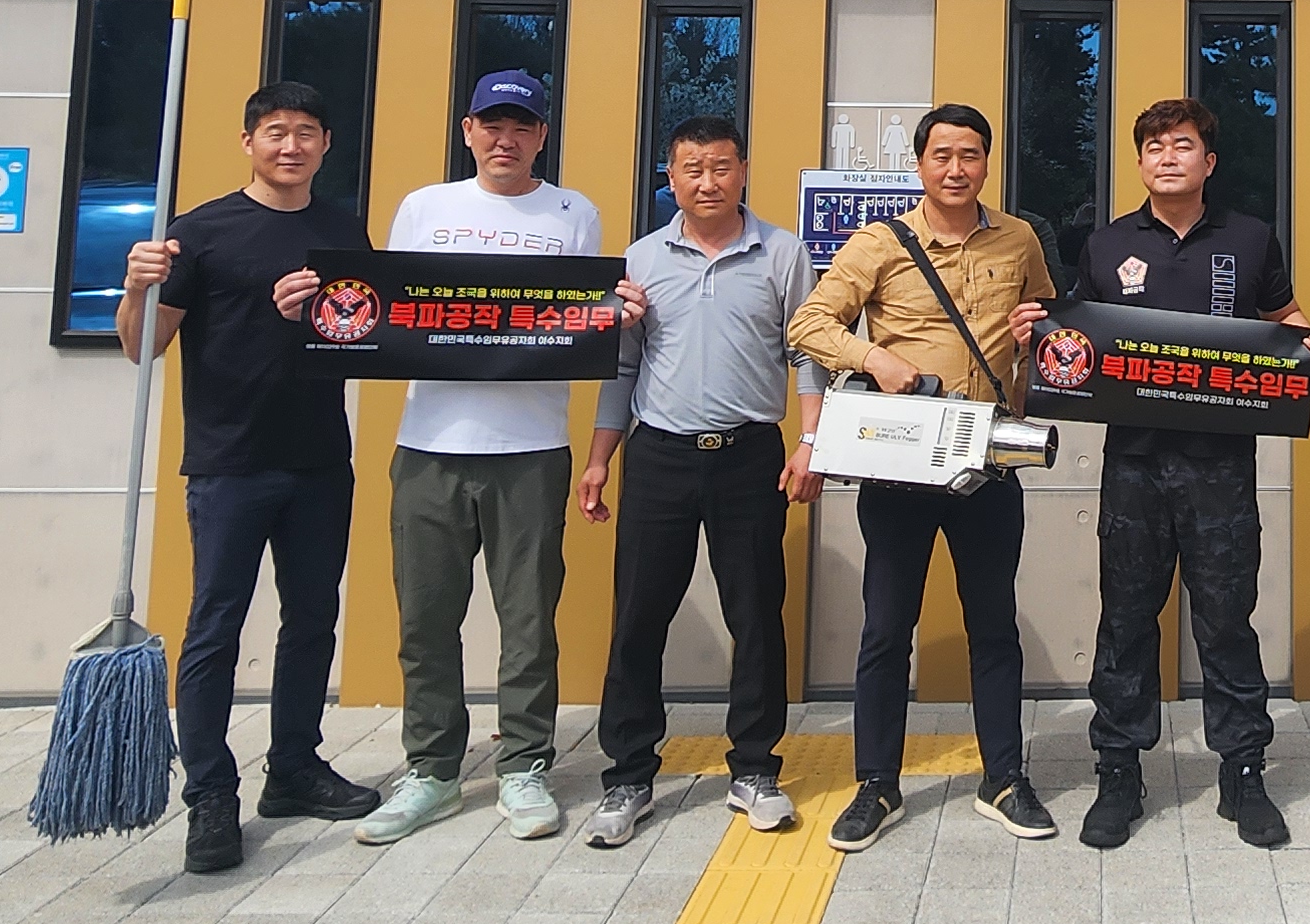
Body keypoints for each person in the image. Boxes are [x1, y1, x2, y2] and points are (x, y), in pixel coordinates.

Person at [1014, 97, 1304, 851]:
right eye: (1153, 147)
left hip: (1222, 468)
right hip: (1135, 468)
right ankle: (1119, 770)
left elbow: (1287, 321)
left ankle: (1243, 770)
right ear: (1139, 163)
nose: (1167, 157)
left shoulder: (1250, 238)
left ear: (1209, 161)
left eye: (1182, 145)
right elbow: (1079, 340)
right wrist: (1035, 332)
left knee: (1227, 622)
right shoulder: (1107, 244)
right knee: (1125, 621)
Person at [355, 71, 627, 847]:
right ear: (468, 130)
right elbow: (390, 310)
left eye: (522, 126)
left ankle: (524, 765)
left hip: (531, 448)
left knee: (529, 620)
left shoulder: (573, 214)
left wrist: (615, 314)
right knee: (425, 618)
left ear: (542, 135)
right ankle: (433, 770)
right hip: (429, 445)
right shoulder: (424, 208)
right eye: (492, 125)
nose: (506, 139)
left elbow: (583, 318)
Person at [119, 81, 380, 875]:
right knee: (215, 628)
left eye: (306, 132)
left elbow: (366, 332)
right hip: (228, 462)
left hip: (320, 458)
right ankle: (209, 795)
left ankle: (293, 768)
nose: (290, 146)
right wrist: (136, 286)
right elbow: (141, 347)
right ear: (248, 142)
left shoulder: (343, 231)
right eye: (275, 132)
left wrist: (316, 314)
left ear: (326, 144)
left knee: (312, 619)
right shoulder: (197, 233)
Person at [786, 102, 1058, 852]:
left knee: (994, 626)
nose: (956, 168)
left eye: (970, 154)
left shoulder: (1020, 239)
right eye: (942, 155)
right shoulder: (880, 242)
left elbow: (1048, 326)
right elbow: (809, 324)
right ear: (919, 164)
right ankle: (876, 783)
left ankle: (1003, 777)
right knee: (886, 627)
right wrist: (874, 358)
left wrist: (1036, 338)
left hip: (987, 461)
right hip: (901, 464)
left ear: (986, 163)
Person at [574, 115, 822, 848]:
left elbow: (807, 356)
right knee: (638, 616)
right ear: (671, 177)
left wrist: (810, 443)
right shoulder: (642, 258)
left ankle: (755, 769)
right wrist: (600, 458)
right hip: (659, 456)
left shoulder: (783, 253)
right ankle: (628, 776)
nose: (707, 182)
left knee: (757, 615)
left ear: (743, 170)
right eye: (692, 169)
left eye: (720, 167)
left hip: (750, 455)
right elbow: (622, 366)